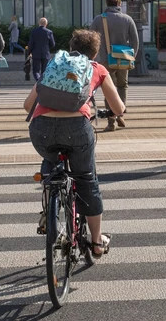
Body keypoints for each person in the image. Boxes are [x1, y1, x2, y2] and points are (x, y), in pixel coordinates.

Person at [24, 29, 125, 259]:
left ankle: (50, 204)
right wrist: (116, 111)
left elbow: (27, 104)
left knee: (51, 161)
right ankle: (97, 243)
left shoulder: (55, 64)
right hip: (77, 130)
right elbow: (118, 109)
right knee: (87, 180)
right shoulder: (97, 68)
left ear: (71, 46)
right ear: (96, 52)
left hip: (41, 130)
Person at [89, 0, 139, 132]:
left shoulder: (99, 19)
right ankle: (120, 113)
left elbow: (91, 38)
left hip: (105, 60)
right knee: (123, 86)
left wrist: (95, 56)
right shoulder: (128, 19)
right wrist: (132, 56)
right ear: (119, 4)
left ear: (107, 4)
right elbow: (135, 40)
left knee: (108, 89)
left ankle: (111, 121)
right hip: (124, 59)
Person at [27, 17, 56, 82]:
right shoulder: (49, 32)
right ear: (46, 24)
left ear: (39, 23)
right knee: (44, 70)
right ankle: (42, 82)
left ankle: (38, 81)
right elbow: (53, 44)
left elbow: (31, 43)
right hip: (45, 53)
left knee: (36, 70)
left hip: (36, 53)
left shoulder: (34, 31)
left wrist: (29, 52)